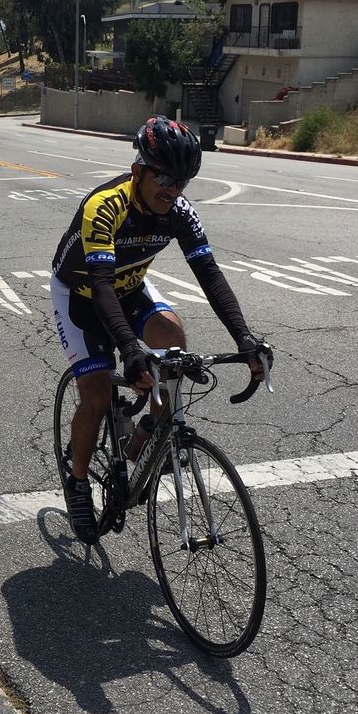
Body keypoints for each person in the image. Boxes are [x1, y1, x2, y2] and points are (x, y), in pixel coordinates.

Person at [50, 115, 272, 544]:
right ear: (139, 171)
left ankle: (149, 435)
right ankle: (77, 482)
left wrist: (244, 337)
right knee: (96, 394)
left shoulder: (179, 212)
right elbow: (101, 286)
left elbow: (209, 274)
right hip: (81, 293)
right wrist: (129, 348)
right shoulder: (106, 206)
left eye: (182, 182)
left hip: (130, 286)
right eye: (165, 178)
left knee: (173, 345)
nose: (172, 190)